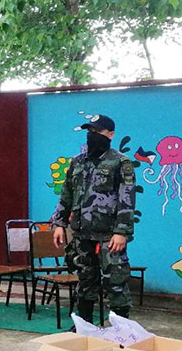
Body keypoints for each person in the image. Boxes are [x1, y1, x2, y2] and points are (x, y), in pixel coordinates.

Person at [52, 114, 135, 322]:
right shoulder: (78, 162)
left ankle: (121, 329)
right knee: (85, 280)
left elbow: (126, 199)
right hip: (82, 233)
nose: (92, 135)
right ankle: (84, 325)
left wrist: (121, 231)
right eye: (90, 131)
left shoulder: (121, 162)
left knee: (115, 282)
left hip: (109, 235)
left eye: (97, 131)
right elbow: (66, 194)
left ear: (110, 134)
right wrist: (59, 223)